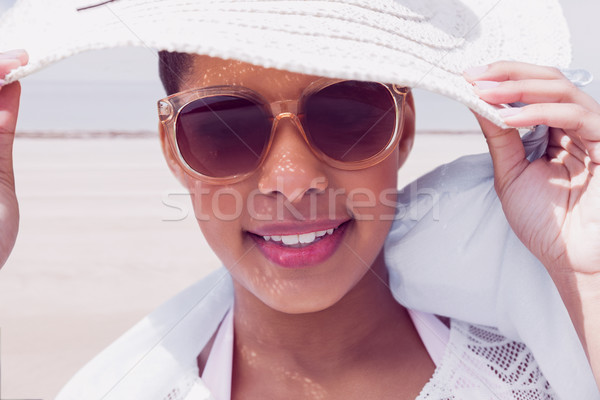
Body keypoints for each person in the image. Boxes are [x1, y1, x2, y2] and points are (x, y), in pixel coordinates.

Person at [0, 1, 599, 399]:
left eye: (346, 115)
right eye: (220, 127)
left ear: (404, 128)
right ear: (173, 147)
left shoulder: (547, 369)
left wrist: (588, 272)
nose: (291, 180)